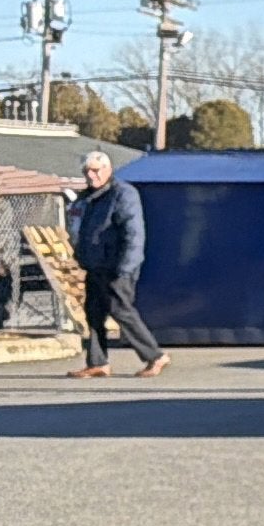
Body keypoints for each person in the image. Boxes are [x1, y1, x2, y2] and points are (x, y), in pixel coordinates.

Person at [67, 150, 168, 378]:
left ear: (108, 169)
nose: (91, 175)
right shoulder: (89, 198)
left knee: (121, 311)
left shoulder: (123, 194)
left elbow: (134, 234)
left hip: (117, 268)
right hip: (95, 266)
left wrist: (126, 267)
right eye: (87, 171)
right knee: (93, 313)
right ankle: (98, 363)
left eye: (96, 170)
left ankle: (155, 356)